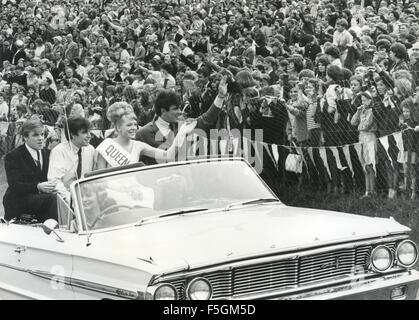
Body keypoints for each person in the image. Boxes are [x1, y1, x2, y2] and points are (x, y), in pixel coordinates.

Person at [135, 76, 228, 164]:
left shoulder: (183, 125)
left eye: (179, 108)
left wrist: (220, 96)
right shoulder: (142, 134)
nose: (180, 112)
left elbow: (206, 119)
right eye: (175, 109)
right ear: (163, 111)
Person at [95, 102, 196, 169]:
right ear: (118, 127)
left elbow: (168, 155)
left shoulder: (139, 146)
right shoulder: (106, 145)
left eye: (135, 124)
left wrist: (182, 133)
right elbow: (99, 179)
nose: (134, 128)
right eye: (129, 125)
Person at [3, 120, 57, 222]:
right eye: (36, 135)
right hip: (19, 200)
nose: (41, 138)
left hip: (41, 200)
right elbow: (15, 185)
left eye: (42, 134)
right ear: (25, 137)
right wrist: (38, 187)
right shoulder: (13, 156)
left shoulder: (48, 154)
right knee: (53, 199)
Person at [48, 117, 95, 202]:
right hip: (67, 198)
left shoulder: (90, 149)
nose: (89, 136)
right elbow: (54, 180)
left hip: (88, 197)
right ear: (72, 134)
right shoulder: (59, 151)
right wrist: (71, 199)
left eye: (89, 132)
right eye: (84, 132)